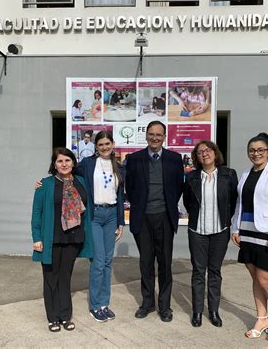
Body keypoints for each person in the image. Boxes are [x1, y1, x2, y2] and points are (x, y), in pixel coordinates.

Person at [230, 133, 268, 342]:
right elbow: (240, 203)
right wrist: (235, 228)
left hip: (267, 233)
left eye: (260, 150)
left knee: (266, 280)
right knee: (255, 277)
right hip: (246, 232)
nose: (256, 153)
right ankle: (262, 318)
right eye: (252, 150)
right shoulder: (246, 173)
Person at [125, 120, 184, 322]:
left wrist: (165, 206)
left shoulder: (174, 159)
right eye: (151, 134)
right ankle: (148, 303)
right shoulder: (134, 159)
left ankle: (165, 306)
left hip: (165, 217)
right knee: (146, 262)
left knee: (165, 263)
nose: (155, 138)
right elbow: (130, 189)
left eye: (159, 135)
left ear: (164, 137)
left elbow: (178, 188)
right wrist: (142, 205)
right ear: (146, 135)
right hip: (142, 218)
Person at [31, 148, 93, 332]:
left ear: (73, 162)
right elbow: (37, 213)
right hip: (52, 237)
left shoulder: (80, 181)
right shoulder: (45, 184)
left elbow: (87, 208)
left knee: (65, 278)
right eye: (60, 161)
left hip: (73, 238)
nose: (64, 164)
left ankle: (65, 316)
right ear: (54, 164)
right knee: (51, 278)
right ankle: (53, 317)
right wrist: (37, 238)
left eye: (67, 160)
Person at [183, 141, 238, 328]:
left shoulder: (229, 175)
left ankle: (213, 311)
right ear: (196, 157)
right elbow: (188, 202)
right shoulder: (191, 177)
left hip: (220, 231)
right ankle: (197, 312)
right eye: (200, 152)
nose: (204, 154)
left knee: (215, 271)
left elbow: (233, 202)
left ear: (215, 152)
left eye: (207, 150)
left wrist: (225, 221)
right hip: (197, 231)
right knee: (198, 272)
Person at [75, 131, 125, 322]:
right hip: (94, 215)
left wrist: (120, 221)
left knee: (107, 262)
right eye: (101, 144)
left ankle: (104, 304)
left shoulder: (118, 167)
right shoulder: (87, 164)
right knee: (98, 261)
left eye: (107, 143)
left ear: (113, 144)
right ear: (96, 146)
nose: (105, 147)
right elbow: (67, 172)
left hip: (111, 215)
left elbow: (119, 195)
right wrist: (45, 182)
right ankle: (95, 306)